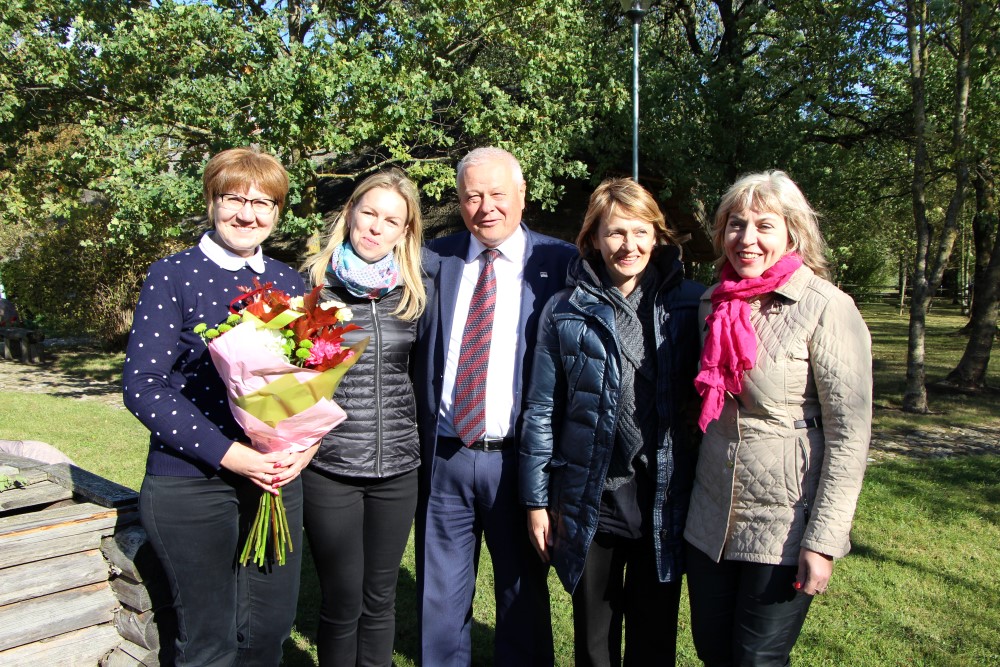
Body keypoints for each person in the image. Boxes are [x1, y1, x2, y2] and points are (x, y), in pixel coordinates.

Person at [123, 147, 311, 666]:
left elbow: (306, 382)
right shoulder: (173, 275)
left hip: (274, 482)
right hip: (191, 482)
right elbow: (143, 385)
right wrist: (232, 454)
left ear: (277, 213)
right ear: (212, 200)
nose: (248, 214)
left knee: (267, 634)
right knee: (209, 644)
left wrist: (305, 447)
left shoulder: (289, 282)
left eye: (264, 203)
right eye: (235, 198)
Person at [684, 170, 872, 666]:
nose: (747, 240)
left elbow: (849, 435)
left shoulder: (827, 307)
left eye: (764, 226)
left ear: (793, 232)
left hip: (783, 521)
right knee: (712, 651)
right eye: (736, 225)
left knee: (757, 658)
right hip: (710, 517)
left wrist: (825, 540)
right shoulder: (711, 303)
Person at [519, 178, 703, 666]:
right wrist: (537, 501)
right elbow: (541, 410)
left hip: (663, 495)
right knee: (594, 639)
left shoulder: (687, 305)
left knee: (654, 634)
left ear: (657, 236)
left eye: (641, 232)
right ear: (593, 239)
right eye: (616, 232)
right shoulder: (563, 311)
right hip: (591, 496)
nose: (629, 245)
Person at [413, 147, 576, 666]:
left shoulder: (561, 263)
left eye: (497, 194)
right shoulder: (433, 260)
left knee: (522, 594)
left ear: (522, 195)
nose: (485, 206)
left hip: (518, 462)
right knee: (439, 596)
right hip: (444, 457)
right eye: (472, 195)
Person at [299, 169, 428, 666]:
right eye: (368, 213)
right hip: (331, 467)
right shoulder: (312, 286)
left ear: (405, 231)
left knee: (379, 599)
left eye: (390, 220)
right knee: (342, 600)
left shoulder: (414, 294)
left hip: (398, 468)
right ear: (350, 213)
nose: (376, 227)